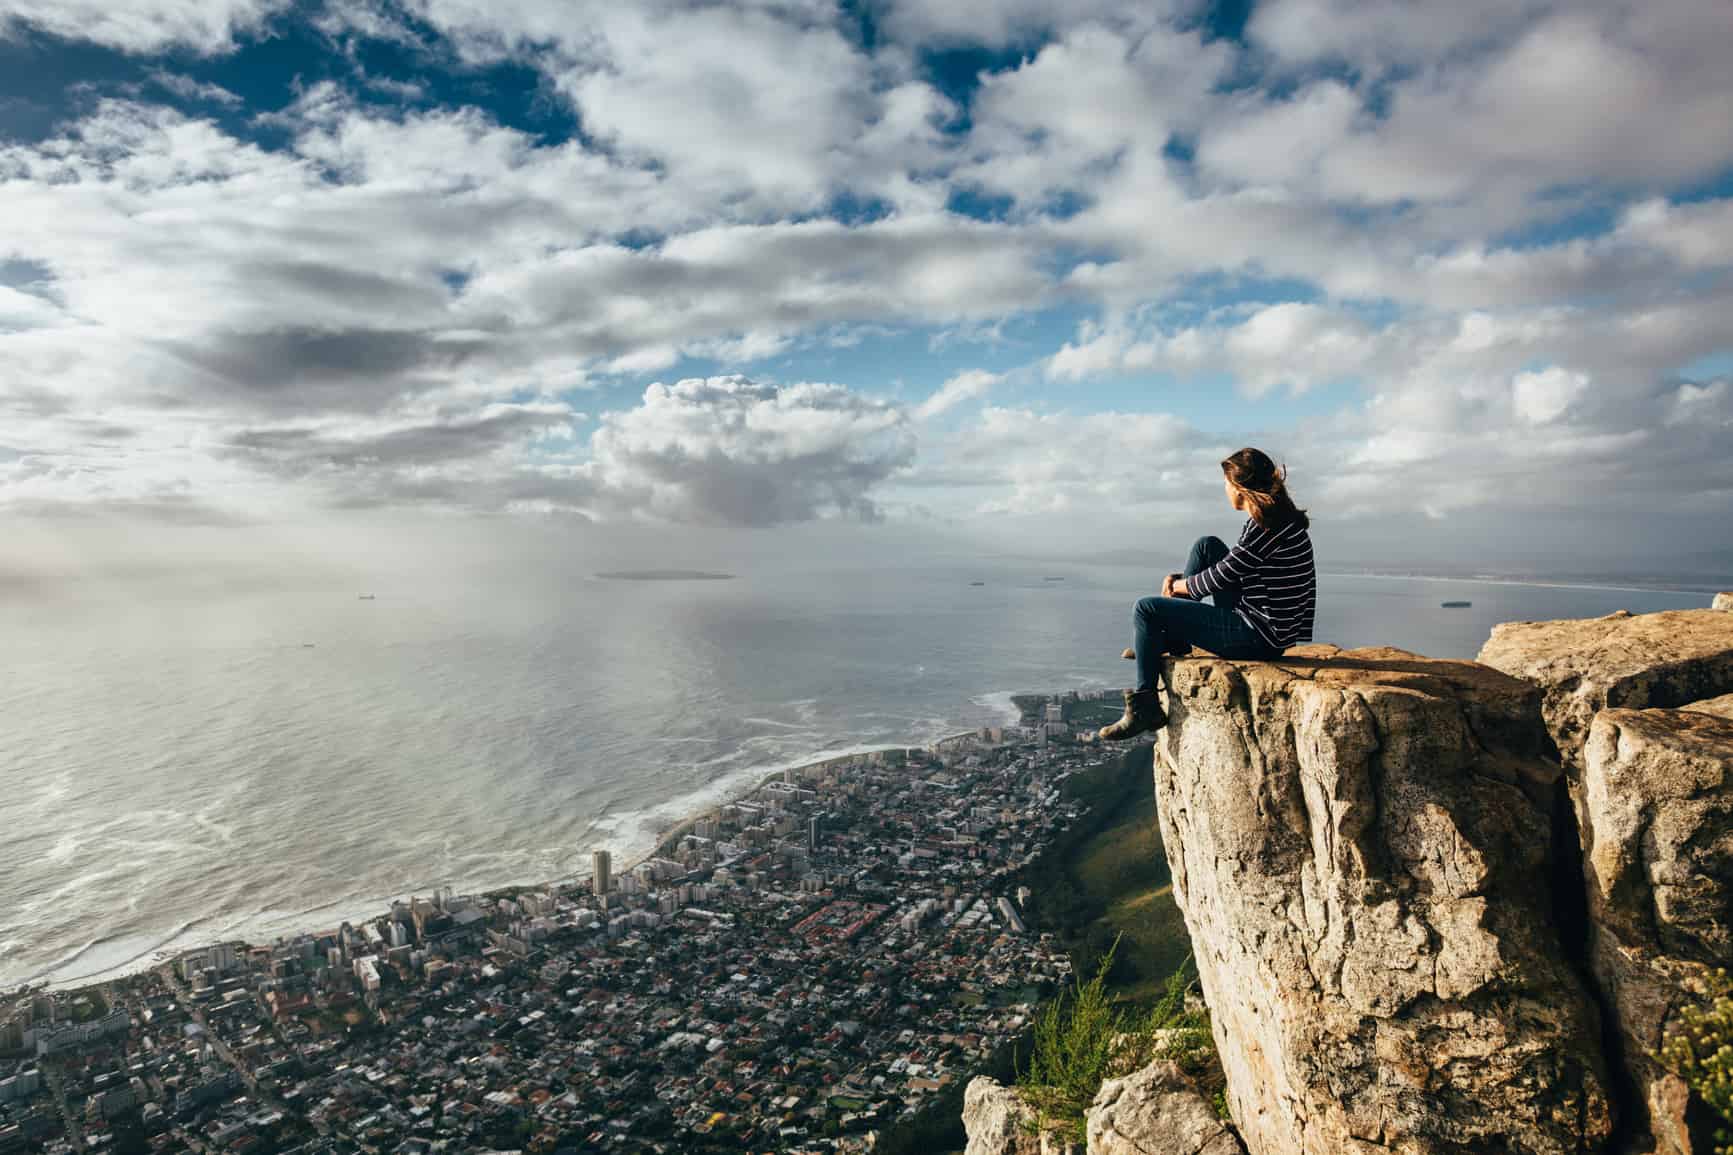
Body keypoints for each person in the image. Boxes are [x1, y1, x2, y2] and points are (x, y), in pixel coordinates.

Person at [1097, 447, 1315, 741]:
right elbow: (1231, 567)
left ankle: (1145, 705)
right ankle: (1172, 639)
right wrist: (1185, 585)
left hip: (1259, 637)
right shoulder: (1276, 521)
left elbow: (1225, 575)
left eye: (1226, 483)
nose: (1224, 489)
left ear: (1240, 488)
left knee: (1146, 609)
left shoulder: (1267, 528)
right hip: (1266, 624)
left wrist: (1176, 587)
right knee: (1207, 546)